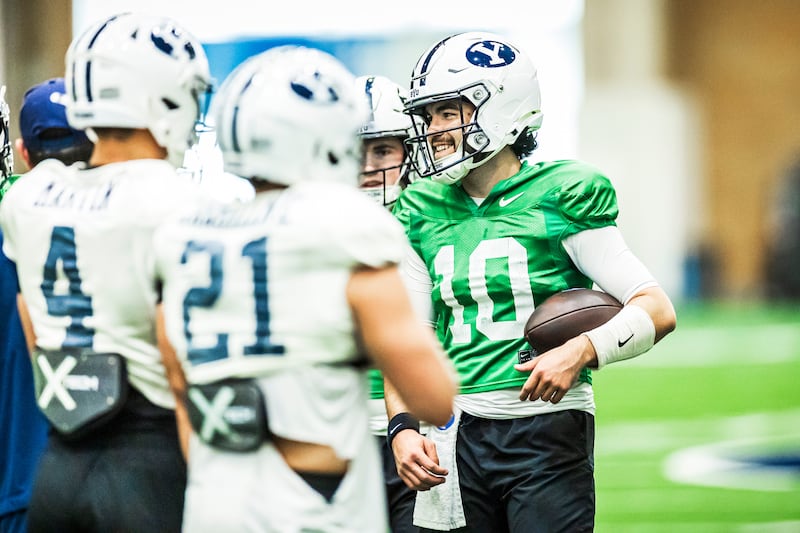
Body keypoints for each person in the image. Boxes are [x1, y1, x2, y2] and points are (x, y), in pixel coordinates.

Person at [152, 46, 456, 533]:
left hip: (214, 496)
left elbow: (175, 372)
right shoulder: (347, 225)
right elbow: (434, 398)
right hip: (313, 498)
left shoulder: (186, 233)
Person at [385, 31, 677, 533]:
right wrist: (402, 429)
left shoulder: (561, 192)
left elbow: (655, 307)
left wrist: (582, 348)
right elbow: (408, 341)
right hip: (455, 432)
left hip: (546, 427)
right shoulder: (420, 209)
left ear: (501, 109)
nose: (433, 130)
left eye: (448, 113)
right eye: (429, 116)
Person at [0, 13, 213, 532]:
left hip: (59, 464)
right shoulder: (177, 201)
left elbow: (30, 312)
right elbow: (179, 357)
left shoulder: (30, 197)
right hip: (149, 463)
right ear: (162, 98)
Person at [355, 74, 426, 533]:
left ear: (409, 150)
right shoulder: (307, 225)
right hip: (338, 430)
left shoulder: (433, 218)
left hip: (421, 432)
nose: (366, 167)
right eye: (353, 152)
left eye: (382, 150)